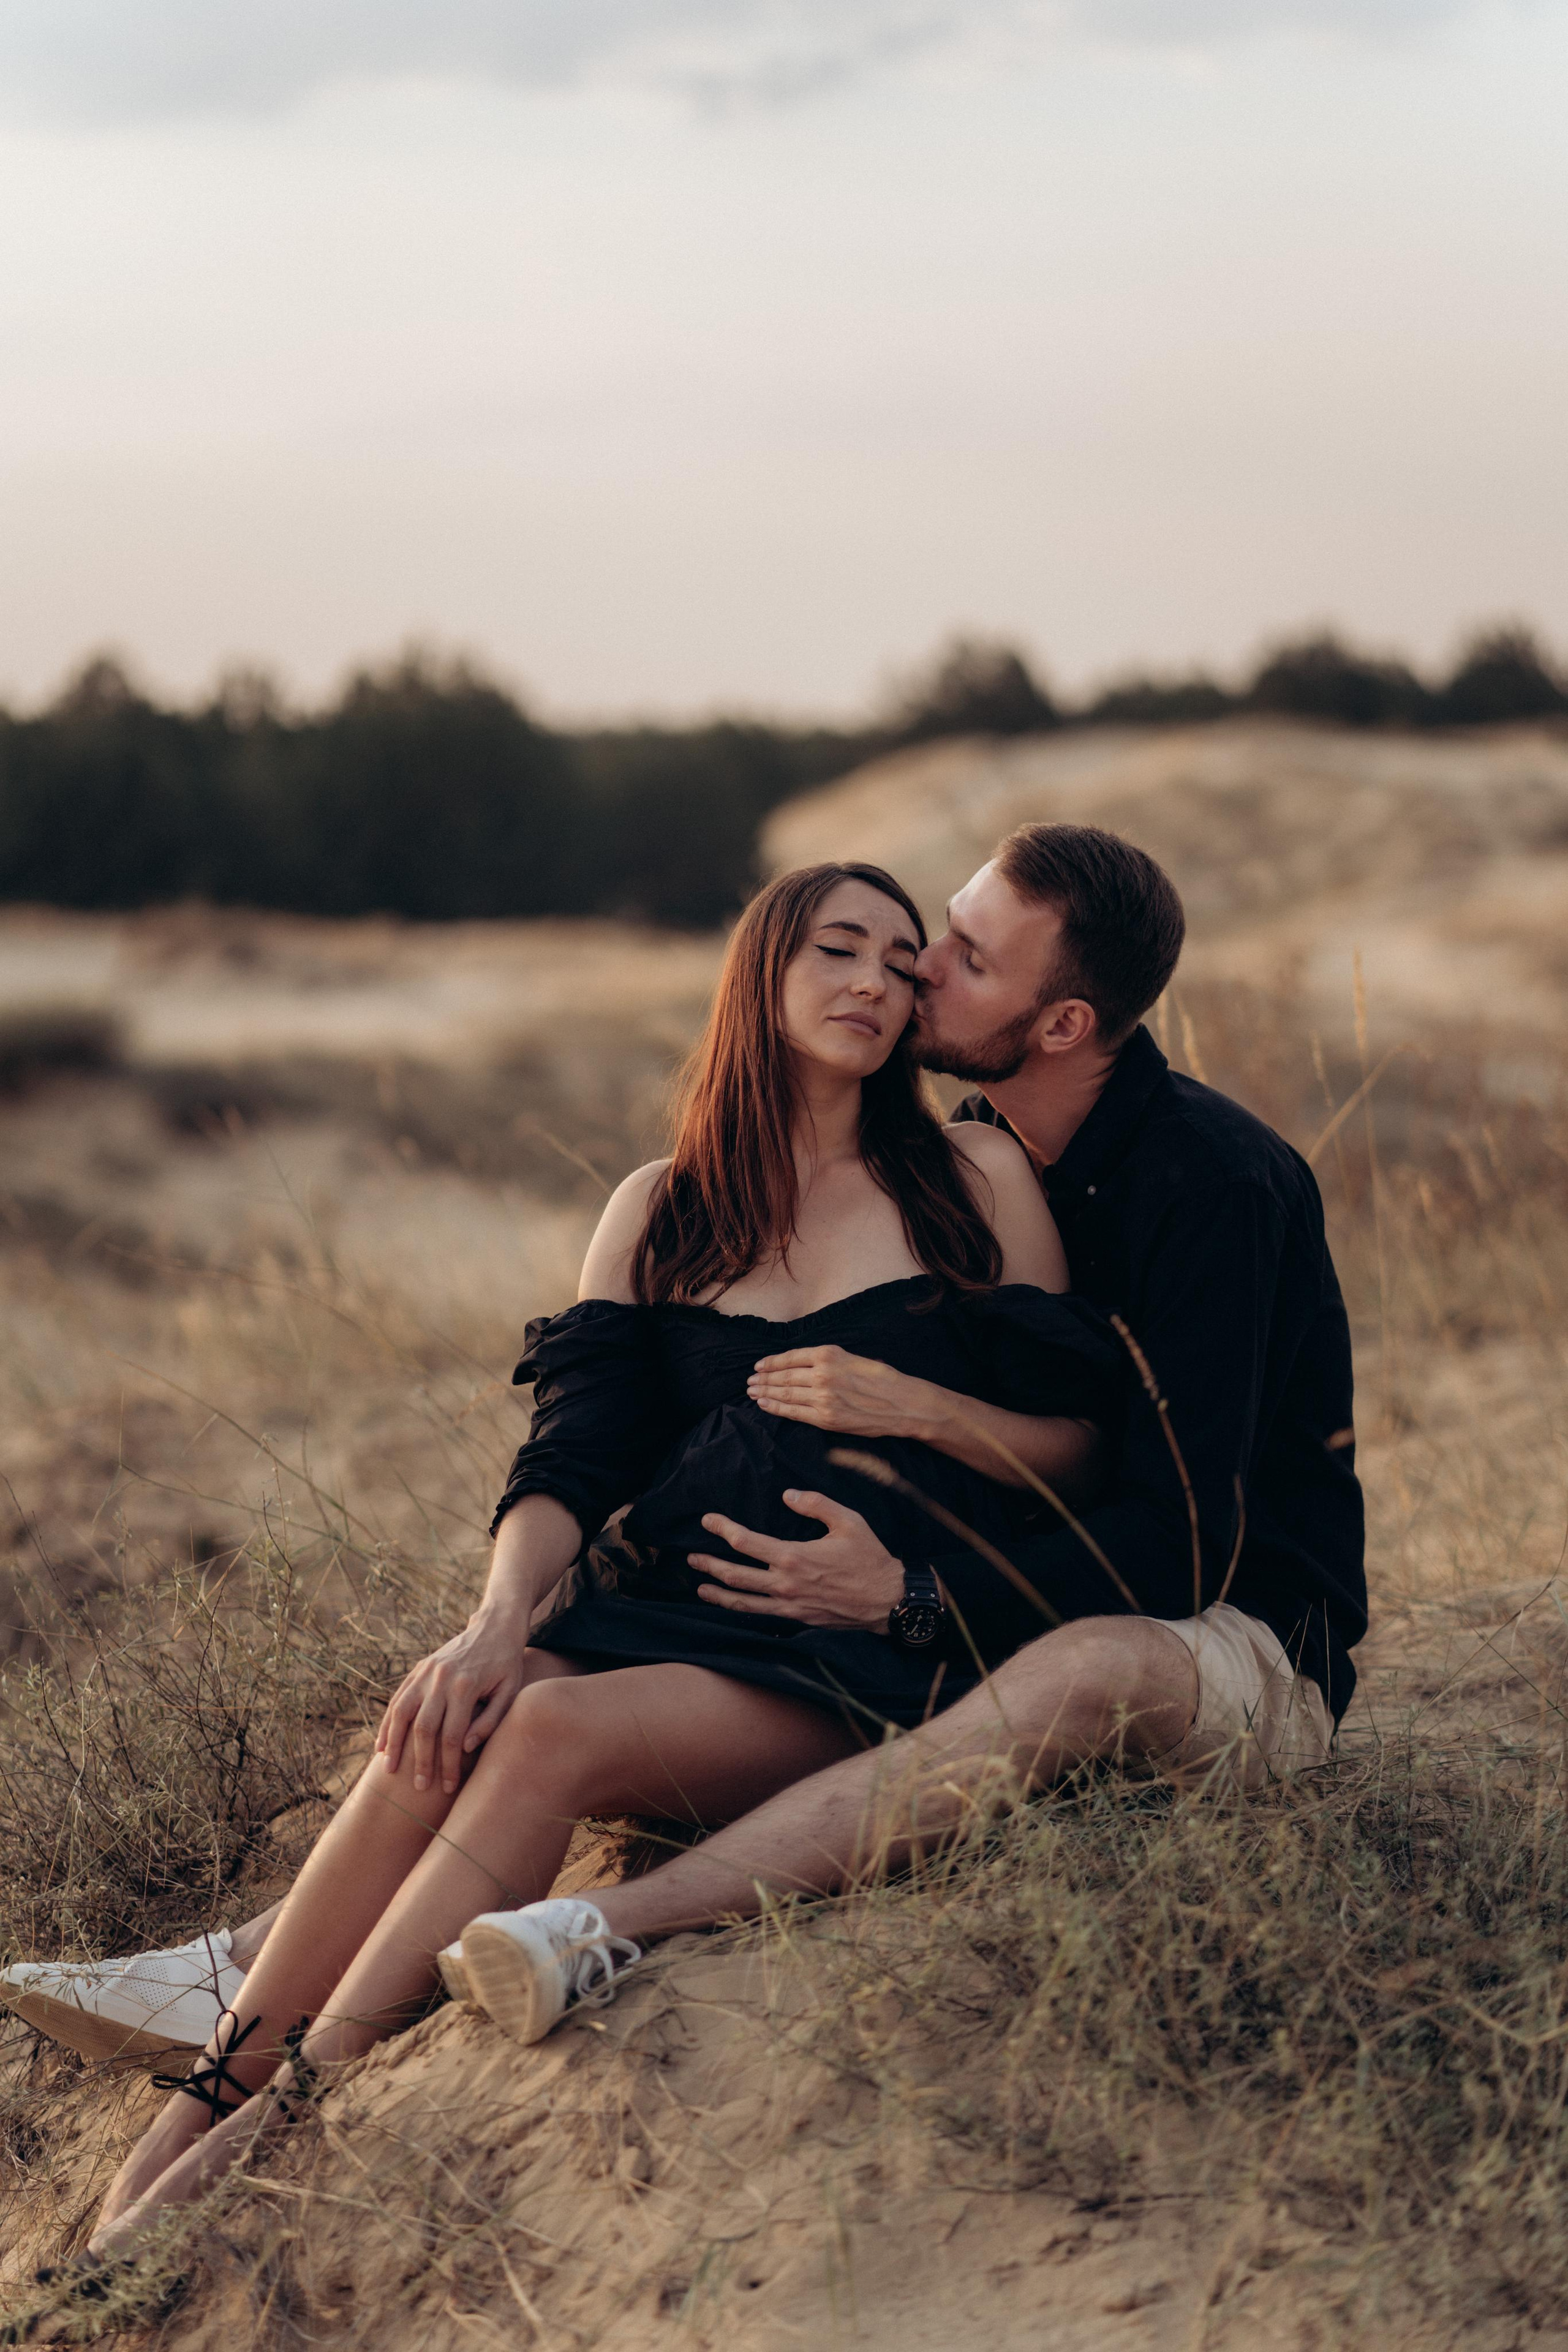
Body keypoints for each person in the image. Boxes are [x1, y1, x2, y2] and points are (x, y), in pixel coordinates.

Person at [72, 858, 1122, 2260]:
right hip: (656, 1624)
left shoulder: (970, 1173)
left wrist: (914, 1410)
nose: (874, 982)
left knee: (551, 1727)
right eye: (836, 951)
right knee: (447, 1716)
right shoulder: (658, 1208)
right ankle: (187, 2123)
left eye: (899, 958)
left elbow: (1077, 1446)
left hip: (845, 1646)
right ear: (761, 973)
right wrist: (493, 1619)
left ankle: (282, 2119)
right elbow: (568, 1461)